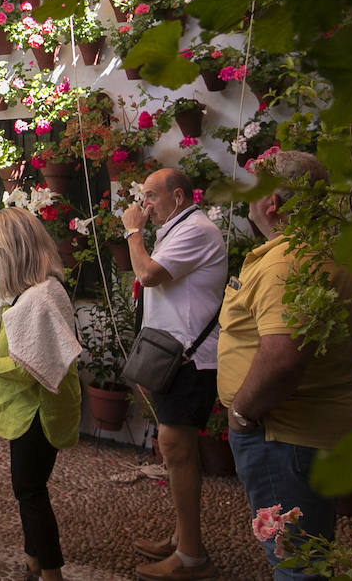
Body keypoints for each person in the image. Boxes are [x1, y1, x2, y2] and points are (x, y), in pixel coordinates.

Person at [217, 150, 352, 581]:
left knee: (296, 563)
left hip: (283, 435)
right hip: (309, 433)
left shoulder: (289, 262)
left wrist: (242, 413)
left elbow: (283, 358)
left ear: (273, 204)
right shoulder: (323, 252)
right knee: (308, 553)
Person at [121, 169, 229, 581]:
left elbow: (146, 273)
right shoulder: (177, 227)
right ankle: (182, 536)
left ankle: (191, 557)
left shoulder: (197, 230)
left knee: (176, 448)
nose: (144, 205)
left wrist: (133, 231)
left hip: (191, 359)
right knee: (173, 448)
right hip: (173, 355)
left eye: (151, 196)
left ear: (178, 196)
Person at [0, 207, 82, 581]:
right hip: (33, 410)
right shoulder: (30, 293)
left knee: (30, 491)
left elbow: (32, 365)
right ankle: (34, 560)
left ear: (10, 253)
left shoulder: (41, 295)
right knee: (28, 488)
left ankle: (50, 571)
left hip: (39, 411)